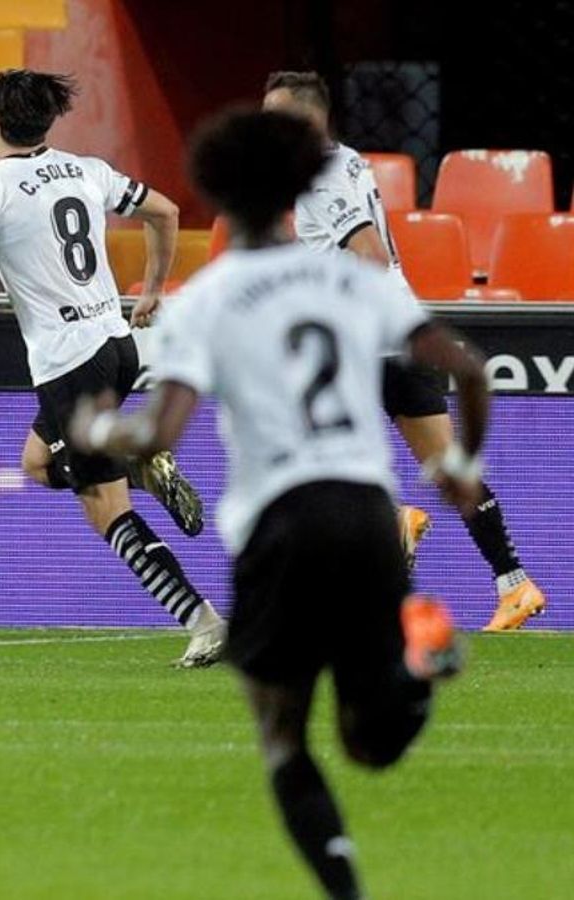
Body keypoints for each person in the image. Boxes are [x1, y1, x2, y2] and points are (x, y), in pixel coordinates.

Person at [71, 108, 477, 900]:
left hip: (278, 527)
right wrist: (458, 465)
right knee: (373, 742)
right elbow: (465, 364)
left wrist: (96, 426)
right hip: (365, 512)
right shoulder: (349, 279)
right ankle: (422, 659)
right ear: (299, 188)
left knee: (284, 741)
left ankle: (346, 891)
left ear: (216, 195)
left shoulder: (210, 297)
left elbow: (160, 431)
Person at [0, 69, 226, 667]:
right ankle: (143, 468)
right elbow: (165, 212)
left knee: (106, 512)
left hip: (71, 364)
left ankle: (204, 622)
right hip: (115, 345)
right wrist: (148, 289)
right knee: (37, 463)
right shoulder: (84, 169)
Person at [262, 71, 544, 631]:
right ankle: (515, 583)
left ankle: (388, 528)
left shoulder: (319, 177)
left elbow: (366, 255)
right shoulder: (343, 159)